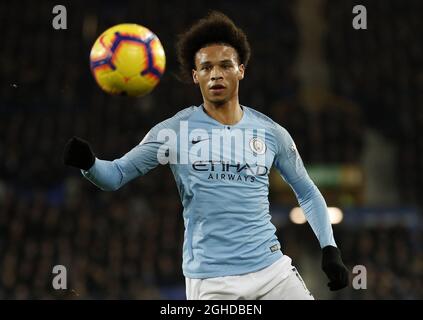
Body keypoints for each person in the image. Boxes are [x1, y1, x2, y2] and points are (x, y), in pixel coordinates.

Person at [63, 11, 349, 300]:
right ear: (194, 75)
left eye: (225, 65)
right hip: (212, 282)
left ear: (241, 70)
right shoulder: (174, 131)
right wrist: (90, 163)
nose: (216, 74)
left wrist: (329, 248)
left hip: (272, 272)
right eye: (206, 67)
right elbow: (116, 175)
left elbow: (308, 193)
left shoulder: (271, 133)